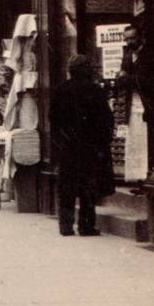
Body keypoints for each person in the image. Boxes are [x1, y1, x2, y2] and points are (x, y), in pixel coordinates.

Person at [51, 53, 115, 236]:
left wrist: (60, 142)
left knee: (67, 187)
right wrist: (103, 143)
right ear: (86, 70)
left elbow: (53, 120)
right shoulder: (94, 90)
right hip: (89, 147)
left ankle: (65, 225)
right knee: (88, 188)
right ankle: (86, 226)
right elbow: (106, 120)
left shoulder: (61, 90)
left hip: (68, 147)